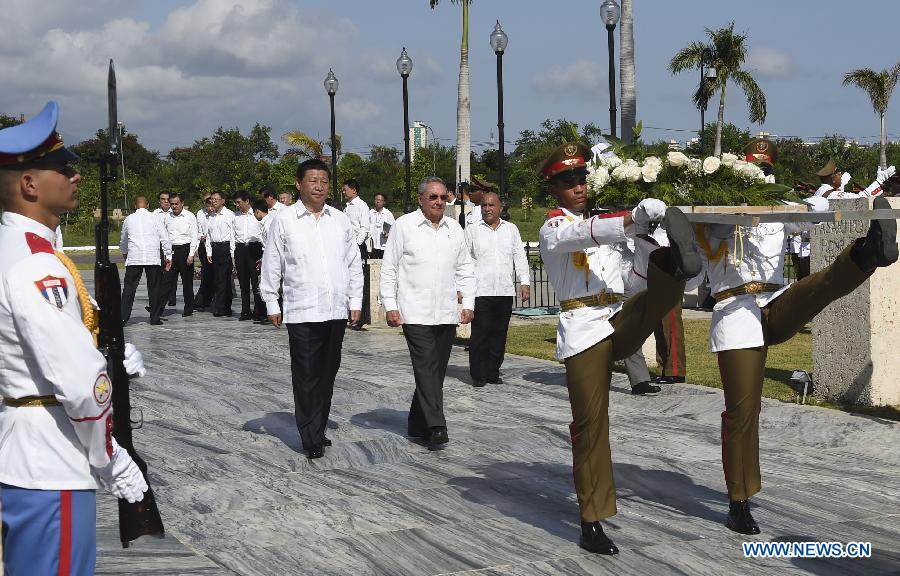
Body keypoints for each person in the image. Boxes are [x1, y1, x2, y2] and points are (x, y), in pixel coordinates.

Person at [0, 101, 148, 575]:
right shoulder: (37, 263)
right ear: (29, 184)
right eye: (64, 168)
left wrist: (104, 347)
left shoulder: (13, 248)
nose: (76, 176)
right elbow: (81, 383)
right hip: (51, 458)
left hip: (17, 448)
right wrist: (110, 457)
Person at [695, 190, 897, 535]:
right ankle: (738, 502)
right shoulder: (711, 220)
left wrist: (798, 206)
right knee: (743, 412)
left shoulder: (774, 213)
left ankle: (868, 252)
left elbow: (814, 212)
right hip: (736, 313)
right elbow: (692, 272)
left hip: (778, 303)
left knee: (821, 285)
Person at [538, 142, 702, 555]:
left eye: (581, 179)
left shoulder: (607, 231)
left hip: (617, 318)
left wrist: (647, 241)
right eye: (568, 181)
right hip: (583, 330)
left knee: (653, 295)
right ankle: (591, 518)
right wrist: (630, 219)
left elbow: (631, 281)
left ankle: (677, 265)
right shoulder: (554, 228)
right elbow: (583, 233)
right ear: (554, 188)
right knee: (591, 426)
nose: (578, 186)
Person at [260, 159, 363, 460]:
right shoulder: (285, 220)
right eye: (312, 180)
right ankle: (310, 436)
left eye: (324, 181)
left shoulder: (340, 219)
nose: (319, 186)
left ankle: (317, 426)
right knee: (306, 374)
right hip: (302, 310)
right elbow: (272, 263)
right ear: (299, 184)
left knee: (328, 373)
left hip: (334, 310)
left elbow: (353, 264)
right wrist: (271, 301)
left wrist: (355, 302)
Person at [381, 176, 476, 451]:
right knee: (425, 367)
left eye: (443, 197)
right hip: (414, 312)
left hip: (445, 313)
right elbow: (389, 268)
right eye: (432, 197)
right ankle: (436, 425)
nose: (438, 202)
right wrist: (390, 305)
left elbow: (465, 269)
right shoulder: (404, 226)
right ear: (421, 199)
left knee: (435, 372)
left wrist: (468, 302)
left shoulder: (454, 229)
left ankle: (416, 422)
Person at [465, 191, 529, 387]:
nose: (487, 209)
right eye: (484, 205)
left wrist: (524, 282)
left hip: (504, 291)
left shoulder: (511, 230)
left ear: (500, 207)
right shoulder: (472, 230)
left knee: (499, 334)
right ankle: (478, 374)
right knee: (480, 334)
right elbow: (465, 261)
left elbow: (519, 256)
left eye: (491, 205)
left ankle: (493, 372)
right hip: (481, 291)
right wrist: (463, 288)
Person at [120, 196, 172, 325]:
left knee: (129, 289)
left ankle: (123, 318)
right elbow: (164, 237)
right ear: (148, 205)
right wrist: (168, 256)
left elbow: (124, 239)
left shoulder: (128, 219)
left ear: (135, 206)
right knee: (154, 288)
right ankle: (154, 318)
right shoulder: (155, 217)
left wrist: (125, 253)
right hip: (152, 257)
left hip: (135, 257)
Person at [161, 192, 198, 317]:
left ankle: (188, 308)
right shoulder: (168, 217)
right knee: (167, 280)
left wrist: (191, 254)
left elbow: (194, 236)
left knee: (187, 282)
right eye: (172, 204)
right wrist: (167, 254)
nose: (174, 206)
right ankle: (158, 307)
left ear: (182, 203)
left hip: (185, 249)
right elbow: (165, 236)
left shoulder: (190, 216)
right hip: (172, 250)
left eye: (176, 204)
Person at [233, 191, 265, 321]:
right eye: (235, 203)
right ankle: (245, 311)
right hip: (240, 249)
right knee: (243, 282)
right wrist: (233, 254)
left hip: (255, 248)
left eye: (239, 202)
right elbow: (232, 235)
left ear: (247, 201)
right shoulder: (235, 216)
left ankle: (259, 311)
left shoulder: (256, 214)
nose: (237, 205)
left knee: (256, 281)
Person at [204, 191, 235, 317]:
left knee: (224, 278)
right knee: (218, 278)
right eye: (212, 199)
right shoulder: (211, 216)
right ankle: (223, 306)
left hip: (225, 248)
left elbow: (233, 235)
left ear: (223, 200)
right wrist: (209, 251)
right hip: (215, 249)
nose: (213, 201)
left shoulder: (229, 215)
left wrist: (233, 254)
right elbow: (209, 236)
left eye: (216, 199)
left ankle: (222, 307)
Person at [194, 192, 216, 311]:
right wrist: (199, 242)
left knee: (216, 274)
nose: (208, 204)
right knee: (206, 273)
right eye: (205, 202)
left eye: (210, 201)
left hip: (215, 245)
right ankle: (202, 300)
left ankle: (215, 299)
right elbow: (198, 230)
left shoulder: (217, 213)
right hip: (204, 245)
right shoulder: (200, 213)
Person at [342, 178, 370, 261]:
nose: (343, 192)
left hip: (357, 246)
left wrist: (357, 244)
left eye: (345, 190)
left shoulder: (362, 205)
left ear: (354, 190)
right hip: (347, 245)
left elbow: (365, 228)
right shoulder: (347, 206)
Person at [368, 192, 395, 259]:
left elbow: (394, 228)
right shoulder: (370, 213)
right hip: (372, 246)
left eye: (380, 200)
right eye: (376, 200)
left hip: (383, 246)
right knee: (373, 267)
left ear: (384, 202)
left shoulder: (388, 214)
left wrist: (388, 234)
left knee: (383, 266)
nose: (378, 201)